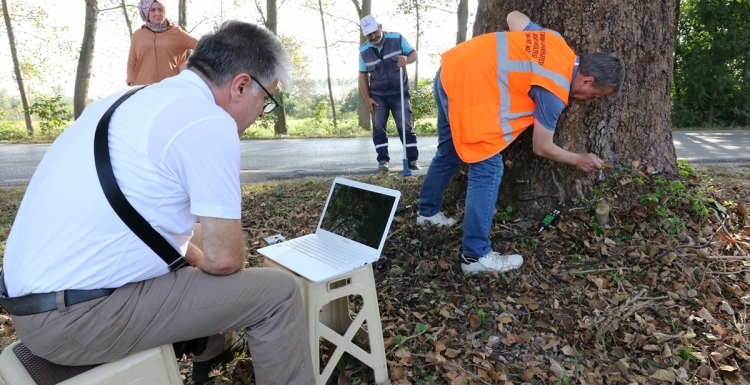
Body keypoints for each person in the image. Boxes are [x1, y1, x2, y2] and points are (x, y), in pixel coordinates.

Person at [1, 21, 314, 385]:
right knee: (278, 294)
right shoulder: (209, 122)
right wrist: (210, 269)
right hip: (73, 321)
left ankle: (209, 347)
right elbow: (226, 259)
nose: (263, 113)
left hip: (32, 305)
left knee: (195, 237)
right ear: (242, 85)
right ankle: (219, 342)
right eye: (267, 100)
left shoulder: (127, 99)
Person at [417, 11, 625, 275]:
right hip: (468, 89)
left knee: (449, 150)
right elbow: (542, 147)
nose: (588, 102)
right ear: (587, 80)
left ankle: (427, 214)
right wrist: (578, 159)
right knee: (488, 168)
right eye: (594, 95)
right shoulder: (554, 90)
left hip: (450, 71)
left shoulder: (554, 41)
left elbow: (513, 16)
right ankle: (475, 256)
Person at [358, 15, 421, 172]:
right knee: (378, 127)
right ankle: (383, 161)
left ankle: (412, 160)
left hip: (400, 92)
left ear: (380, 26)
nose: (373, 37)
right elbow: (362, 75)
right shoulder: (363, 51)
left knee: (405, 126)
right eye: (368, 35)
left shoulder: (397, 38)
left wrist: (406, 60)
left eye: (374, 32)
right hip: (378, 96)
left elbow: (414, 53)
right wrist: (368, 99)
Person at [126, 0, 199, 86]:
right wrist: (131, 82)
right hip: (142, 89)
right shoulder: (138, 35)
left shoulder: (176, 33)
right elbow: (132, 62)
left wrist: (188, 65)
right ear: (145, 12)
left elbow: (203, 46)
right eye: (152, 10)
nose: (158, 13)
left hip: (170, 88)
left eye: (160, 10)